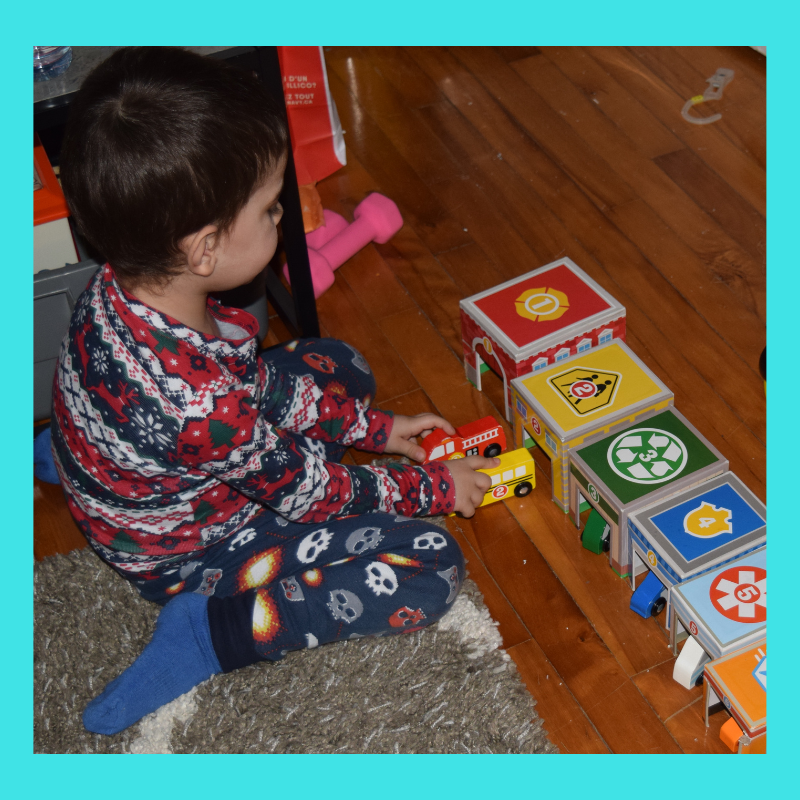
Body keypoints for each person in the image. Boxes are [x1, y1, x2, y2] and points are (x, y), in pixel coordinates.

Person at [51, 46, 498, 736]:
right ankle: (212, 634)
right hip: (187, 554)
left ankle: (85, 457)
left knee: (335, 364)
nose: (281, 217)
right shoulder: (200, 404)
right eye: (268, 210)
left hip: (142, 456)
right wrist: (432, 488)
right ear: (204, 250)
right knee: (428, 566)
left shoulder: (121, 282)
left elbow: (250, 382)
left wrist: (377, 431)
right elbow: (313, 494)